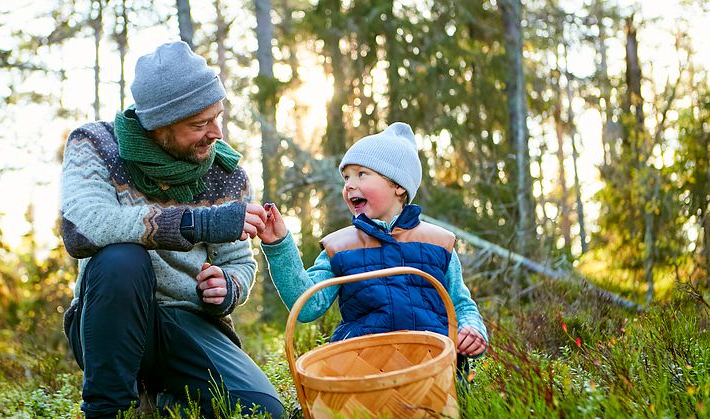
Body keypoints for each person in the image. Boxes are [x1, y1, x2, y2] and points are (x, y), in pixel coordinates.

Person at [60, 41, 283, 418]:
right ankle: (107, 410)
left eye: (218, 116)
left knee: (262, 411)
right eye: (199, 124)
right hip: (110, 318)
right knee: (121, 258)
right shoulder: (95, 144)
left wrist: (229, 286)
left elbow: (240, 262)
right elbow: (81, 227)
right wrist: (194, 223)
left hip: (189, 322)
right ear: (158, 126)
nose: (216, 133)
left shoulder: (226, 174)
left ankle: (166, 399)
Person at [257, 122, 488, 374]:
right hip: (362, 370)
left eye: (361, 174)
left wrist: (471, 329)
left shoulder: (438, 243)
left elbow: (461, 304)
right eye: (346, 177)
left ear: (398, 185)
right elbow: (308, 305)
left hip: (434, 370)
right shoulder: (340, 247)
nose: (349, 185)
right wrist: (279, 245)